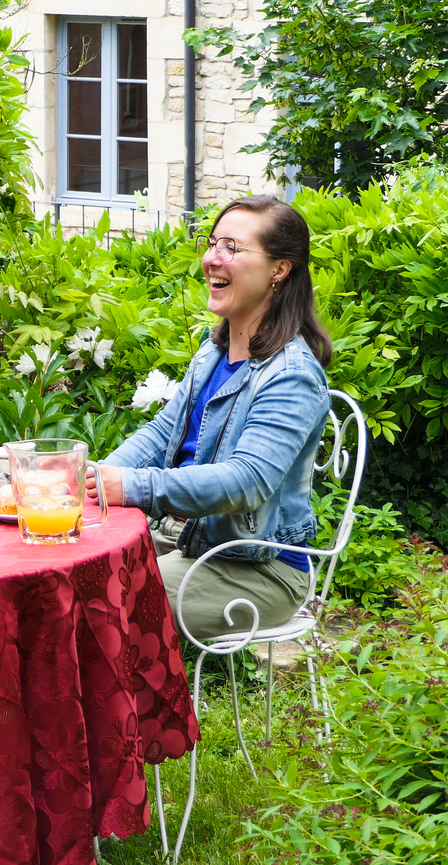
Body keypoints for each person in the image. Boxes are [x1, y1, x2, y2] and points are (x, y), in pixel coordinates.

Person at [89, 194, 333, 642]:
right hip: (192, 538)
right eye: (212, 243)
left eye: (231, 248)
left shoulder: (292, 375)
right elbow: (163, 431)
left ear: (280, 270)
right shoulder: (214, 350)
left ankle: (140, 714)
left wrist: (136, 488)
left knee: (103, 605)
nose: (211, 258)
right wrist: (97, 476)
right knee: (70, 576)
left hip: (259, 567)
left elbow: (247, 481)